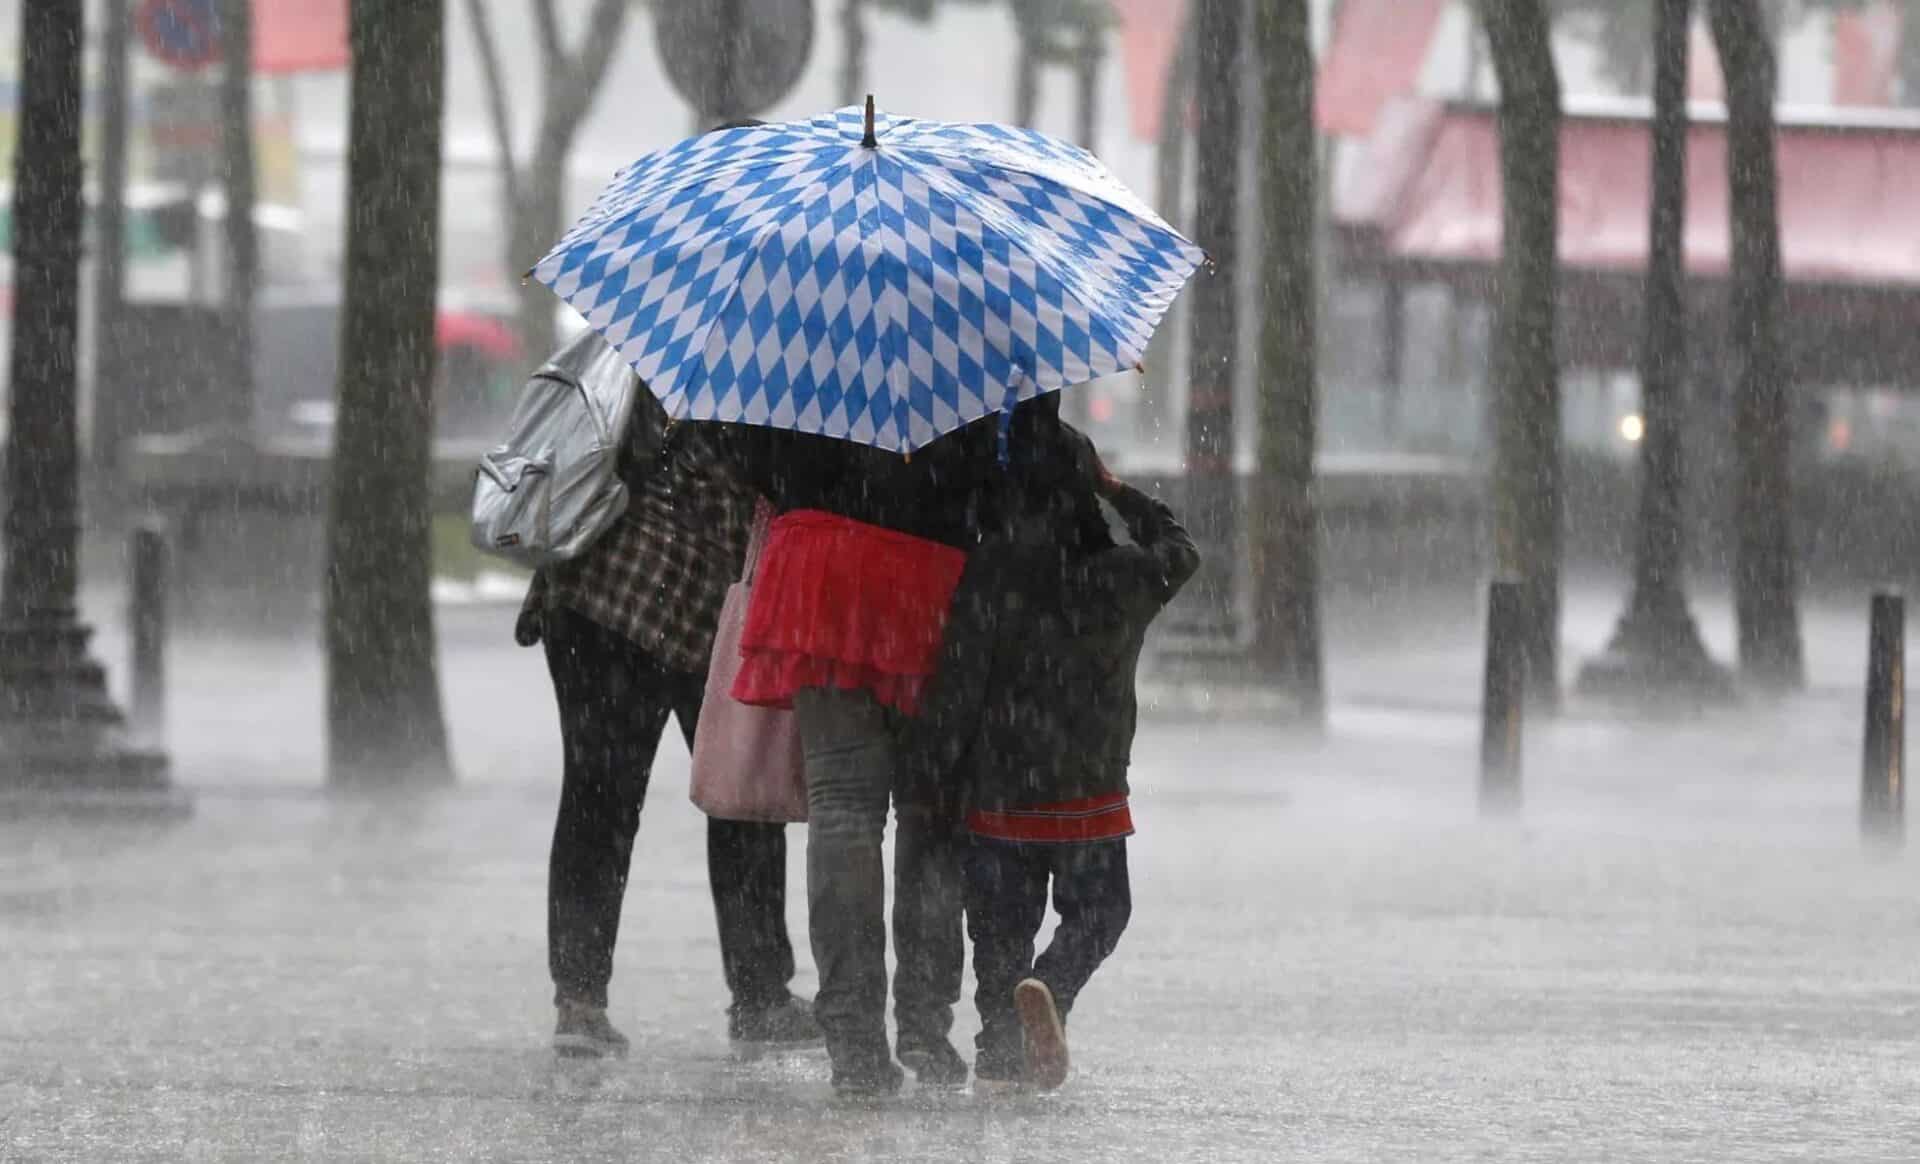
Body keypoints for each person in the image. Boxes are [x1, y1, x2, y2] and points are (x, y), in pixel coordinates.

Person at [516, 331, 818, 1059]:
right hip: (684, 608)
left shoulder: (650, 331)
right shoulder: (768, 370)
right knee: (739, 797)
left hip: (593, 592)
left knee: (598, 797)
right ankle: (758, 996)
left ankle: (580, 1002)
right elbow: (778, 484)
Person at [910, 412, 1199, 1089]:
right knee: (1102, 911)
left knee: (999, 932)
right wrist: (1118, 490)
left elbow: (958, 681)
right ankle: (1052, 985)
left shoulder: (989, 571)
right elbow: (1181, 549)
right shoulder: (1125, 575)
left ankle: (1000, 1055)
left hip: (1000, 788)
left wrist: (938, 773)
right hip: (1087, 790)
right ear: (1082, 488)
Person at [718, 419, 997, 1095]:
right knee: (931, 815)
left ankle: (853, 1041)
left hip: (819, 563)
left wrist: (811, 485)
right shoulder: (974, 328)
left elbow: (750, 454)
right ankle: (925, 1026)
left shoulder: (798, 323)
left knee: (843, 809)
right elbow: (1005, 470)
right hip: (933, 572)